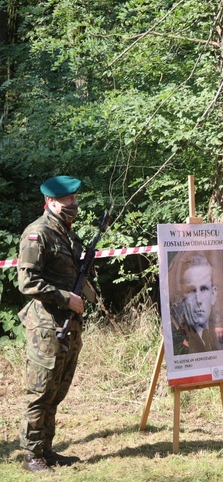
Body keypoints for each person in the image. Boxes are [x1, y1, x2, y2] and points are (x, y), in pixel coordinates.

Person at [16, 176, 94, 472]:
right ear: (50, 202)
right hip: (47, 327)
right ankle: (31, 455)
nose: (73, 204)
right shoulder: (37, 234)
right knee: (40, 392)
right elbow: (27, 282)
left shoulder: (67, 233)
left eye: (74, 199)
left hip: (69, 324)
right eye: (67, 200)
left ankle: (47, 450)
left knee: (57, 391)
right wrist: (65, 298)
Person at [170, 252, 223, 355]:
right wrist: (184, 333)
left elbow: (221, 281)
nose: (198, 299)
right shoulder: (179, 252)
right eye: (192, 290)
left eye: (203, 289)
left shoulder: (209, 243)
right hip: (186, 332)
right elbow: (170, 292)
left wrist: (220, 321)